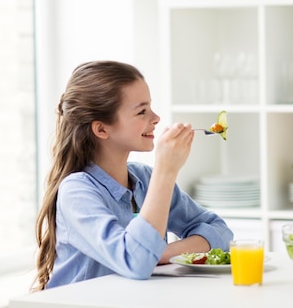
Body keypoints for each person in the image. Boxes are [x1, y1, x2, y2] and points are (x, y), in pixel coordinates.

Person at [34, 60, 233, 290]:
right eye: (142, 111)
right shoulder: (77, 191)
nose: (156, 118)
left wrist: (162, 253)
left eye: (151, 107)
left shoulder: (145, 178)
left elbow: (220, 231)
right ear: (101, 129)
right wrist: (166, 171)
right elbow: (136, 261)